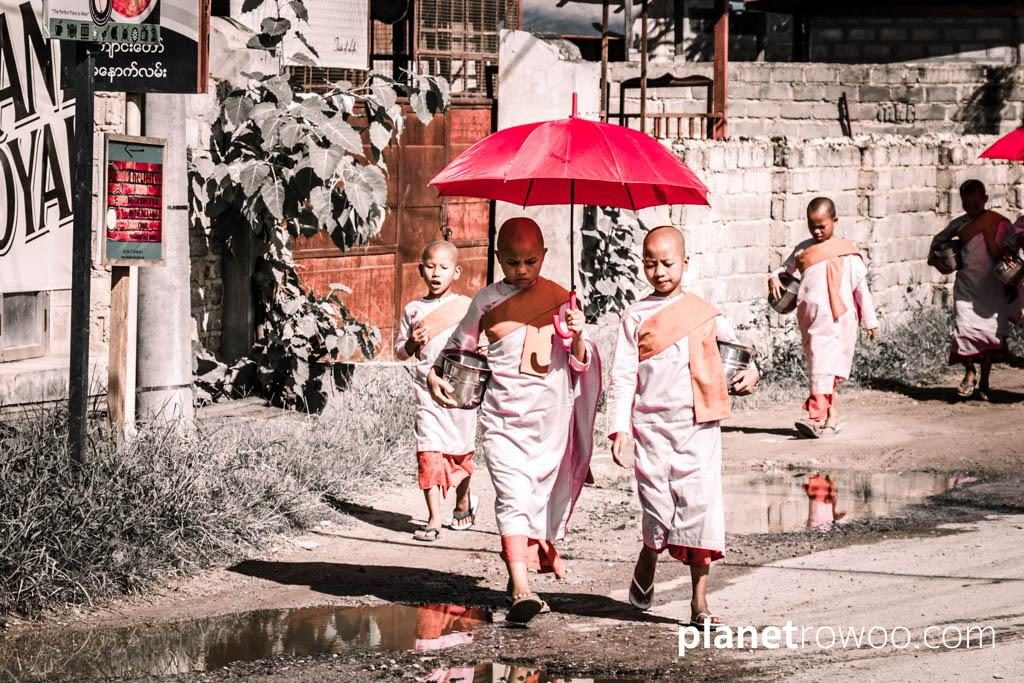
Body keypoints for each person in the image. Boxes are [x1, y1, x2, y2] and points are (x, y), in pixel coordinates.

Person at [426, 217, 601, 627]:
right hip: (503, 419)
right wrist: (436, 375)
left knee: (534, 499)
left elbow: (579, 363)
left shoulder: (562, 299)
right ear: (497, 258)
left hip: (549, 422)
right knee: (511, 497)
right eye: (512, 262)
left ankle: (527, 561)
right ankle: (521, 586)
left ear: (544, 256)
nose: (521, 270)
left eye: (530, 261)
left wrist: (578, 334)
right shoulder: (485, 301)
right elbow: (458, 349)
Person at [608, 226, 759, 628]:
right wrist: (619, 429)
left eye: (667, 263)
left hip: (698, 426)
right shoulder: (635, 316)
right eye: (650, 263)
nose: (658, 271)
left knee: (700, 512)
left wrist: (751, 374)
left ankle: (699, 604)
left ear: (685, 263)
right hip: (652, 428)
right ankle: (649, 552)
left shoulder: (704, 313)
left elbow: (741, 354)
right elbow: (622, 376)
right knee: (658, 510)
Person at [769, 197, 879, 438]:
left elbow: (861, 289)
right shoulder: (803, 249)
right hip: (812, 321)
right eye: (812, 226)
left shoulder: (847, 253)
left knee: (825, 368)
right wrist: (774, 277)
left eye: (822, 226)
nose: (817, 231)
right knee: (821, 368)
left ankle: (816, 417)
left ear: (835, 222)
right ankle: (831, 417)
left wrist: (870, 321)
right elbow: (784, 270)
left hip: (840, 321)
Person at [395, 241, 478, 542]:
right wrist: (412, 343)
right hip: (426, 394)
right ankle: (434, 518)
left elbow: (480, 345)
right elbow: (400, 353)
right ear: (420, 270)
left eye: (443, 267)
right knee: (428, 452)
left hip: (460, 393)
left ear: (456, 271)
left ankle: (463, 500)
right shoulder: (414, 310)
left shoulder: (468, 307)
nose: (436, 273)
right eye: (430, 266)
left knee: (460, 452)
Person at [929, 180, 1014, 400]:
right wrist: (939, 258)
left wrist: (1012, 282)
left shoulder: (1000, 223)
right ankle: (969, 371)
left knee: (988, 335)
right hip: (967, 285)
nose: (972, 208)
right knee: (963, 329)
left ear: (985, 199)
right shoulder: (959, 225)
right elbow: (939, 240)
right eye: (967, 205)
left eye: (976, 203)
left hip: (992, 287)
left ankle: (984, 380)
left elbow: (1009, 253)